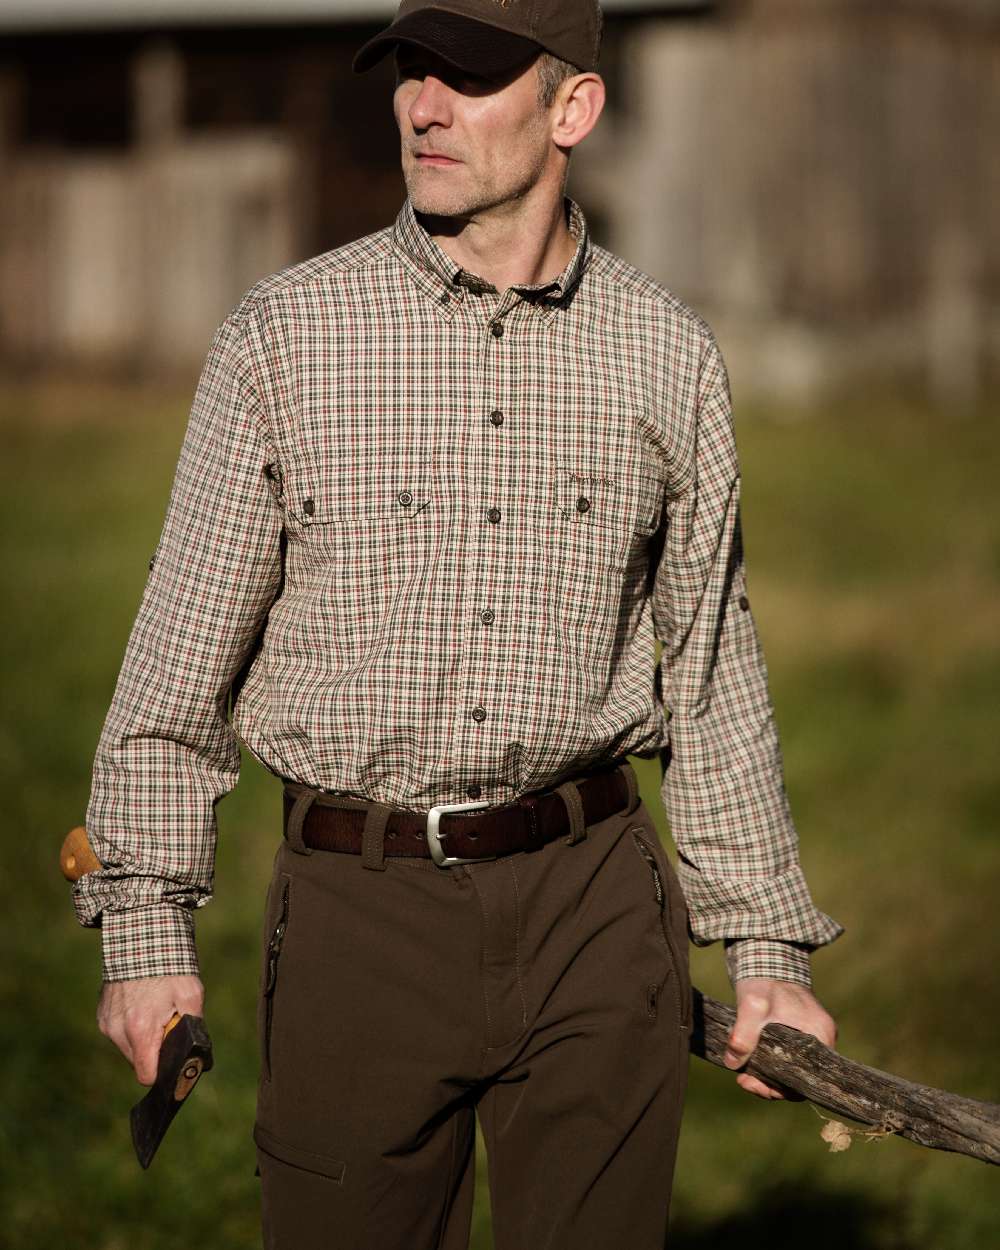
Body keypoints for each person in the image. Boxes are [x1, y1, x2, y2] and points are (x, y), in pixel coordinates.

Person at [72, 0, 843, 1245]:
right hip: (355, 915)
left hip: (599, 905)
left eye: (471, 79)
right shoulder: (283, 339)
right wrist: (144, 930)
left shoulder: (667, 357)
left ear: (572, 110)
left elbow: (709, 674)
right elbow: (173, 675)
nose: (421, 107)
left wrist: (768, 950)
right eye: (409, 73)